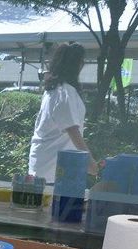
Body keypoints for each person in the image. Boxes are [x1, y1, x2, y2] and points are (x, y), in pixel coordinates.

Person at [28, 43, 99, 183]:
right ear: (77, 65)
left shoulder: (54, 90)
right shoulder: (64, 93)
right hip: (51, 169)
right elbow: (72, 131)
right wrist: (90, 164)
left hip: (47, 166)